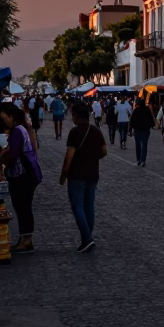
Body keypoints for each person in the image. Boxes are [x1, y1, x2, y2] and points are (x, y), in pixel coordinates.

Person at [0, 102, 41, 253]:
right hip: (23, 174)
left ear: (11, 116)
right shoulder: (19, 129)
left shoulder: (17, 131)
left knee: (23, 206)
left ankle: (26, 240)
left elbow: (12, 157)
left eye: (4, 118)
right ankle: (25, 238)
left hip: (22, 175)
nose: (3, 122)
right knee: (22, 207)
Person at [60, 100, 107, 252]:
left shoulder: (75, 132)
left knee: (77, 206)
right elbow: (104, 151)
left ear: (77, 116)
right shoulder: (96, 131)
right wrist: (93, 157)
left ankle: (87, 239)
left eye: (73, 115)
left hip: (77, 175)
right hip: (93, 173)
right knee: (89, 206)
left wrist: (63, 173)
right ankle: (87, 237)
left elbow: (69, 155)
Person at [129, 96, 155, 166]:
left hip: (137, 130)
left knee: (138, 145)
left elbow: (131, 121)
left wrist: (131, 129)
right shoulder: (147, 110)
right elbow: (151, 120)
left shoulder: (136, 110)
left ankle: (138, 159)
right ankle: (143, 160)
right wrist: (151, 126)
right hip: (145, 130)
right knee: (144, 145)